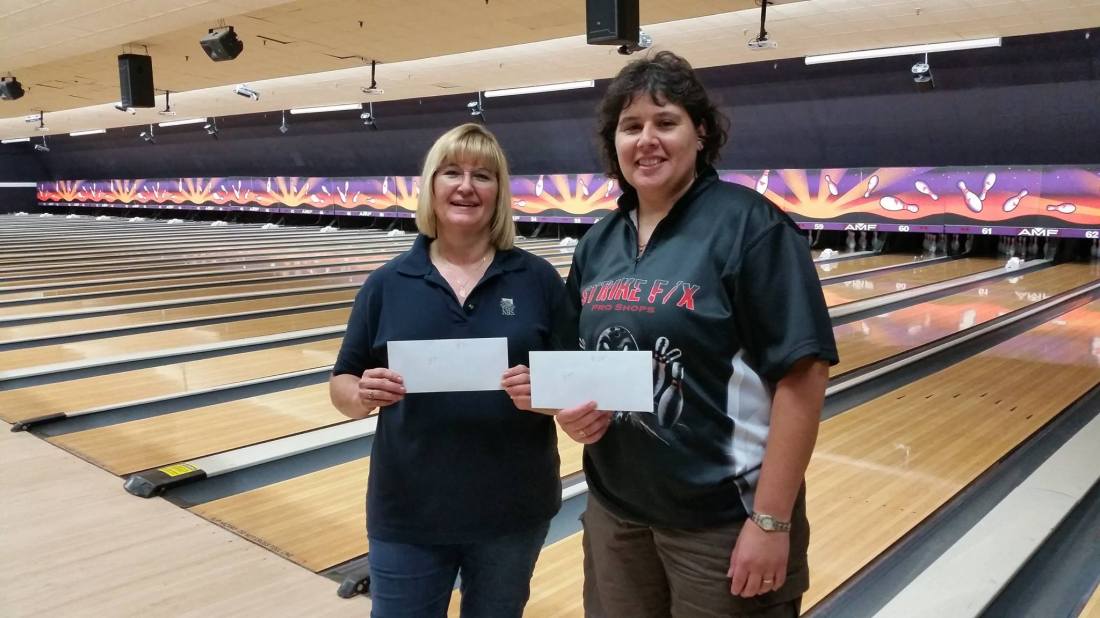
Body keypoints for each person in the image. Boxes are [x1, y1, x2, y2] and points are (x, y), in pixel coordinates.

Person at [504, 51, 838, 616]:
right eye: (630, 127)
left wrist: (772, 521)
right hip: (616, 516)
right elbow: (572, 366)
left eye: (666, 122)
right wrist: (569, 412)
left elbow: (802, 378)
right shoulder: (598, 243)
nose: (646, 140)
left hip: (723, 524)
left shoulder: (750, 227)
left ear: (700, 133)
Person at [329, 123, 567, 618]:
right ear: (431, 186)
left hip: (512, 511)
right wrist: (362, 392)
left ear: (499, 192)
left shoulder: (537, 279)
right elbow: (342, 382)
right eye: (451, 172)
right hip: (408, 511)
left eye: (483, 175)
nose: (466, 186)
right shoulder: (387, 284)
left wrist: (546, 390)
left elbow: (573, 381)